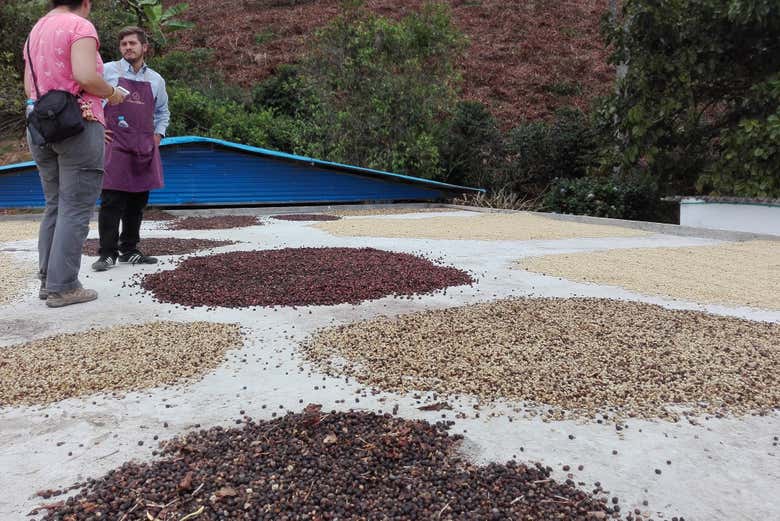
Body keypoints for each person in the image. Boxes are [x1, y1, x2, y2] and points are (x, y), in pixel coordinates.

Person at [24, 0, 126, 307]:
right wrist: (112, 93)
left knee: (55, 204)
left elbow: (29, 87)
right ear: (85, 3)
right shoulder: (79, 26)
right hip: (78, 122)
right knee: (76, 206)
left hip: (40, 125)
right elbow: (85, 76)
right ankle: (64, 287)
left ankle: (49, 280)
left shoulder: (35, 31)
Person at [91, 26, 169, 271]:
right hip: (115, 144)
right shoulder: (106, 71)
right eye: (124, 44)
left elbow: (163, 112)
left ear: (144, 47)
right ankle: (107, 253)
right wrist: (96, 128)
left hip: (144, 146)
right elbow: (88, 99)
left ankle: (130, 250)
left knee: (137, 201)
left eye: (132, 43)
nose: (127, 48)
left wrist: (158, 135)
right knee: (112, 200)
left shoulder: (156, 80)